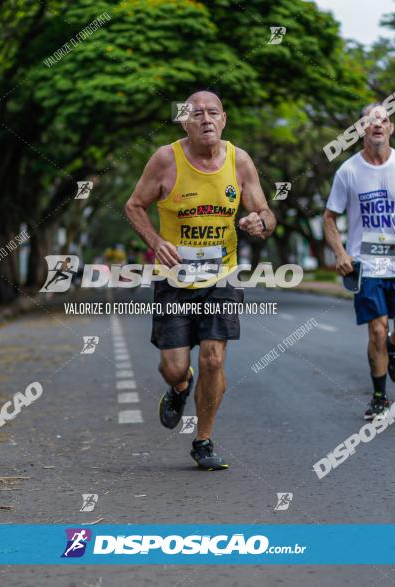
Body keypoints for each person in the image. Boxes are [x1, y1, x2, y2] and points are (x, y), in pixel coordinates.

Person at [125, 89, 276, 470]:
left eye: (213, 113)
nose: (206, 119)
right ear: (184, 121)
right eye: (197, 114)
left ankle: (203, 440)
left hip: (221, 277)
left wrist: (260, 222)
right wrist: (156, 241)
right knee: (174, 366)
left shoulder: (240, 161)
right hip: (174, 279)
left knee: (213, 358)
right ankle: (179, 386)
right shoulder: (165, 160)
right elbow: (134, 206)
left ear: (224, 120)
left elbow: (266, 213)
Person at [323, 103, 395, 420]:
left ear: (390, 128)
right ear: (360, 129)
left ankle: (394, 347)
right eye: (371, 121)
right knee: (376, 330)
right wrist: (341, 252)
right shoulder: (348, 172)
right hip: (367, 265)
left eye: (384, 120)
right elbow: (329, 217)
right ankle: (379, 397)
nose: (378, 125)